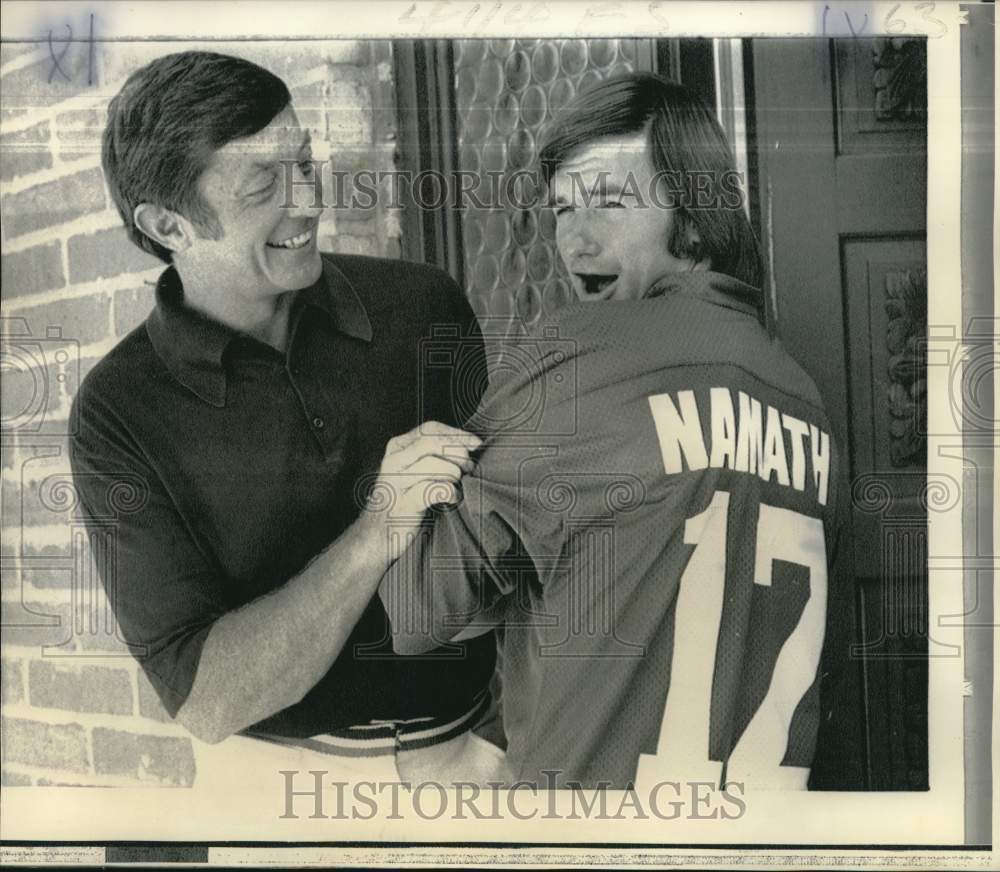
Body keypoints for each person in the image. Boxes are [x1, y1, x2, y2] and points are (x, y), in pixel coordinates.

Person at [380, 74, 854, 790]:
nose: (574, 237)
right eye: (562, 209)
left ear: (693, 211)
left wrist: (393, 499)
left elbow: (418, 611)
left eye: (607, 200)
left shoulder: (575, 355)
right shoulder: (804, 399)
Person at [68, 50, 504, 788]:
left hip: (474, 761)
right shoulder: (117, 412)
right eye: (263, 183)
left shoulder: (424, 306)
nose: (306, 199)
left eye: (304, 161)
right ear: (169, 224)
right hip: (272, 798)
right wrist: (379, 530)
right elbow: (207, 699)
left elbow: (512, 562)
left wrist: (498, 737)